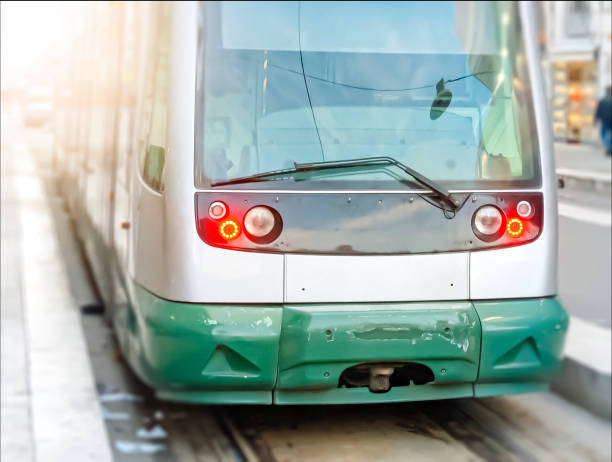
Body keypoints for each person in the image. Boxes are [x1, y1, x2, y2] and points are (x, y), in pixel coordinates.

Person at [595, 86, 612, 156]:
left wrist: (595, 120)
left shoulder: (602, 100)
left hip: (605, 120)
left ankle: (608, 146)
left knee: (604, 134)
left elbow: (598, 111)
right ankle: (609, 147)